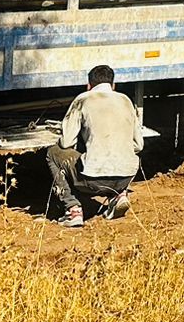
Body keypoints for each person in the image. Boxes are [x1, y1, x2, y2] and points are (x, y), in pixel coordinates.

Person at [48, 64, 144, 227]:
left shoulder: (83, 99)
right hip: (126, 178)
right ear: (113, 86)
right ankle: (118, 196)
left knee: (53, 153)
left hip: (92, 181)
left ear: (88, 85)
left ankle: (73, 209)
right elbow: (138, 145)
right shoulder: (126, 100)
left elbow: (67, 142)